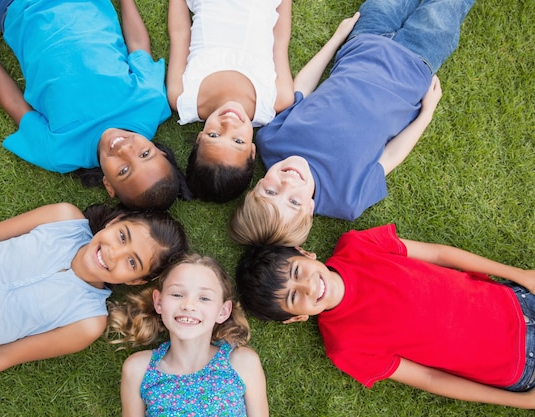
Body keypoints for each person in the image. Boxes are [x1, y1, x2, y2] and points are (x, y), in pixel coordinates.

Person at [230, 0, 474, 246]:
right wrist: (426, 114)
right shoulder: (347, 200)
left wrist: (338, 38)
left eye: (271, 192)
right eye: (294, 201)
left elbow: (302, 89)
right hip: (414, 65)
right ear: (310, 209)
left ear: (258, 185)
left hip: (363, 42)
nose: (287, 183)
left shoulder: (271, 141)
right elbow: (389, 157)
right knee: (445, 8)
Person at [0, 202, 188, 412]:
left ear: (137, 280)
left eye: (132, 262)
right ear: (113, 222)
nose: (113, 253)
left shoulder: (87, 322)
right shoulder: (63, 219)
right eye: (122, 236)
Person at [235, 223, 535, 408]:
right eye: (293, 297)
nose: (309, 286)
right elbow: (430, 378)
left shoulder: (357, 246)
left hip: (518, 301)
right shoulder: (344, 347)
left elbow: (440, 254)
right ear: (295, 318)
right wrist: (519, 403)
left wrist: (520, 275)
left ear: (305, 253)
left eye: (297, 272)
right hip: (518, 363)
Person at [0, 0, 190, 210]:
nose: (124, 150)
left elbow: (15, 104)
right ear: (160, 152)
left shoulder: (60, 153)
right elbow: (138, 45)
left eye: (123, 170)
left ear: (108, 185)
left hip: (14, 9)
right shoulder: (150, 103)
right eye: (144, 155)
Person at [166, 0, 294, 202]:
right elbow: (280, 42)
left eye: (214, 135)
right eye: (238, 141)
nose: (229, 124)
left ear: (199, 138)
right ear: (252, 151)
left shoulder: (183, 97)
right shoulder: (276, 99)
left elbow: (180, 34)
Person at [109, 254, 269, 416]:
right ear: (158, 302)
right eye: (177, 294)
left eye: (204, 298)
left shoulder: (242, 362)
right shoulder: (139, 369)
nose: (188, 305)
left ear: (223, 311)